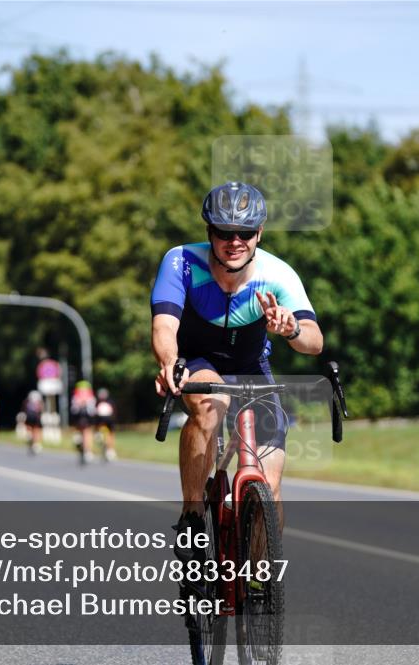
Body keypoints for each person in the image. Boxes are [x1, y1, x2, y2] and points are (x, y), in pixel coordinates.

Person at [150, 181, 323, 561]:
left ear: (259, 233)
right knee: (211, 406)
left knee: (271, 487)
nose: (235, 241)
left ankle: (260, 578)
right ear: (209, 232)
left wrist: (291, 328)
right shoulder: (181, 261)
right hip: (199, 361)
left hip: (251, 366)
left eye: (245, 232)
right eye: (224, 232)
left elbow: (314, 340)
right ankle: (193, 517)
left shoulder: (278, 273)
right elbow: (164, 325)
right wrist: (168, 363)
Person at [70, 380, 97, 463]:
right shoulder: (90, 395)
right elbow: (93, 409)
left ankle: (78, 440)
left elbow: (73, 409)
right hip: (87, 418)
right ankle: (87, 450)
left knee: (81, 431)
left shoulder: (76, 395)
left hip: (78, 418)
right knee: (87, 433)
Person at [95, 388, 117, 461]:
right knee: (110, 434)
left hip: (105, 422)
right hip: (105, 422)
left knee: (109, 434)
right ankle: (110, 450)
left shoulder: (98, 403)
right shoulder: (109, 402)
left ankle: (109, 449)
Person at [22, 390, 44, 455]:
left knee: (29, 427)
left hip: (29, 415)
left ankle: (29, 436)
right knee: (37, 429)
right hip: (36, 416)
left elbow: (24, 408)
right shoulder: (39, 401)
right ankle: (36, 443)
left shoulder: (27, 401)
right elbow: (41, 408)